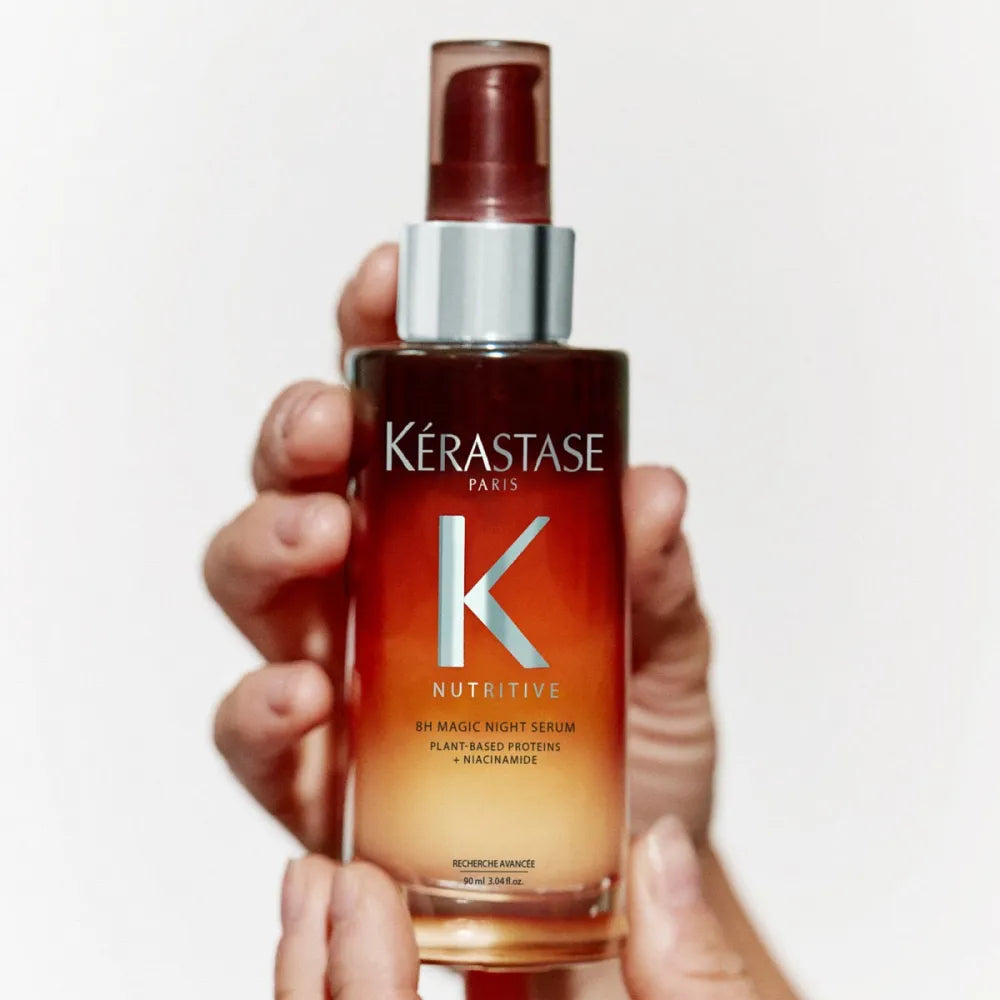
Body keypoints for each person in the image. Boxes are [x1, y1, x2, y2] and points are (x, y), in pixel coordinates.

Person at [203, 244, 801, 1000]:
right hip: (433, 844)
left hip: (584, 876)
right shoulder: (401, 379)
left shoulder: (581, 380)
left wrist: (631, 860)